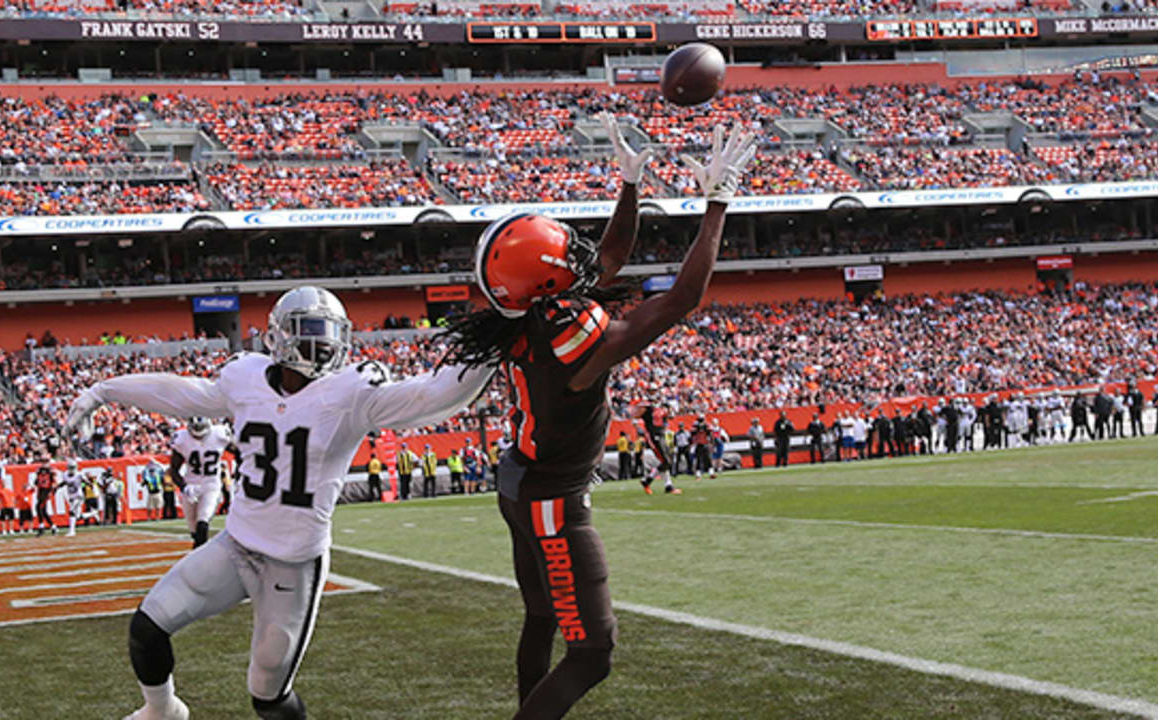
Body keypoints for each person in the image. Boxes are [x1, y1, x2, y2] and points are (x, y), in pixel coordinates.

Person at [437, 118, 754, 720]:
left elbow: (604, 259)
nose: (575, 253)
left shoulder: (524, 315)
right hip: (552, 497)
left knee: (540, 617)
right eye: (560, 252)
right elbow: (682, 298)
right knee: (593, 653)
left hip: (523, 480)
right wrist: (717, 202)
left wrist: (631, 185)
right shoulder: (568, 337)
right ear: (546, 280)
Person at [64, 284, 492, 720]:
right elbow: (183, 394)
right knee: (146, 629)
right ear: (279, 335)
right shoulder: (245, 378)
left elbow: (432, 397)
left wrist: (491, 348)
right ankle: (163, 711)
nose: (322, 342)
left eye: (328, 331)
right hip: (235, 546)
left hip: (292, 565)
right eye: (310, 329)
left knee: (267, 696)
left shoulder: (351, 392)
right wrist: (104, 390)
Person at [171, 417, 235, 548]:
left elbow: (239, 452)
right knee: (194, 528)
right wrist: (184, 487)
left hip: (211, 484)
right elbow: (173, 470)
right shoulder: (182, 438)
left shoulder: (220, 434)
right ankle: (198, 552)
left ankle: (199, 562)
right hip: (191, 485)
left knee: (203, 522)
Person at [633, 404, 680, 494]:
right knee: (666, 461)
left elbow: (671, 417)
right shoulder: (648, 408)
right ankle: (651, 480)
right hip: (653, 435)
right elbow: (635, 415)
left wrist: (668, 410)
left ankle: (666, 485)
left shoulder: (661, 408)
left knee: (667, 461)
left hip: (662, 435)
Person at [60, 459, 85, 537]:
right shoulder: (65, 475)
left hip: (78, 496)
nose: (71, 469)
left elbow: (85, 481)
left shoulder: (79, 475)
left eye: (73, 467)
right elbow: (64, 483)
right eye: (70, 467)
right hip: (71, 495)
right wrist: (57, 487)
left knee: (71, 511)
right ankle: (93, 513)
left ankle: (72, 531)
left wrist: (90, 484)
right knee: (77, 516)